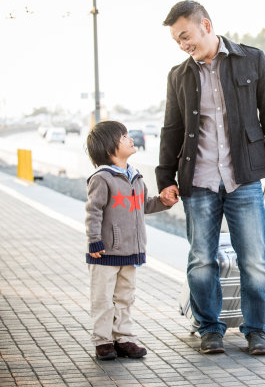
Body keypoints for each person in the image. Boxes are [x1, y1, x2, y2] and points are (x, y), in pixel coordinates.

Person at [156, 0, 265, 355]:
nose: (183, 44)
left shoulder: (252, 59)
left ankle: (257, 330)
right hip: (197, 182)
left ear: (206, 25)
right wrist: (165, 178)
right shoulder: (179, 76)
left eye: (185, 35)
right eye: (177, 41)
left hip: (243, 178)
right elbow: (171, 129)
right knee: (202, 259)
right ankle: (209, 329)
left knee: (255, 260)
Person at [85, 120, 178, 360]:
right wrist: (94, 240)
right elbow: (93, 211)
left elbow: (144, 205)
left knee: (125, 297)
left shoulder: (135, 176)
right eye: (124, 136)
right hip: (104, 252)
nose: (130, 139)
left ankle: (123, 338)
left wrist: (163, 201)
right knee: (103, 298)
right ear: (109, 149)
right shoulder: (102, 178)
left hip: (131, 251)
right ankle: (103, 341)